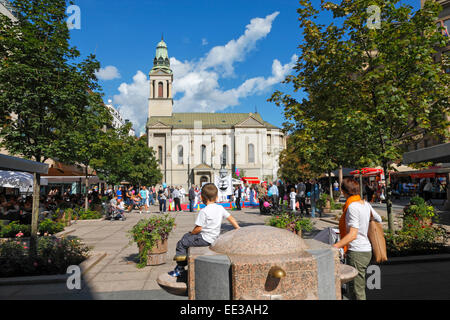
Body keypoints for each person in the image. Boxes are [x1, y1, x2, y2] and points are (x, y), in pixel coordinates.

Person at [169, 183, 240, 277]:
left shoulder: (204, 211)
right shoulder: (220, 208)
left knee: (183, 241)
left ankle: (180, 268)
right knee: (188, 238)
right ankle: (183, 263)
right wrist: (238, 229)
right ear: (216, 197)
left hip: (204, 238)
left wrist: (191, 233)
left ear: (202, 198)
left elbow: (198, 228)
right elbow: (230, 218)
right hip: (214, 237)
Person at [333, 178, 382, 300]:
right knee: (354, 289)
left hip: (357, 252)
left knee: (356, 291)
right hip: (366, 250)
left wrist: (334, 246)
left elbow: (353, 234)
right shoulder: (365, 204)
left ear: (343, 191)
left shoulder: (352, 207)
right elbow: (379, 219)